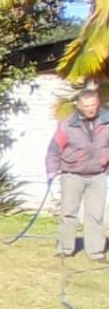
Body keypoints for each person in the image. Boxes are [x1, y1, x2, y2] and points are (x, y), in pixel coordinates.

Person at [49, 86, 109, 261]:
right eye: (86, 105)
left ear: (98, 104)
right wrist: (52, 170)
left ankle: (96, 252)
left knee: (95, 215)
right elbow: (54, 150)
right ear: (79, 106)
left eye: (93, 105)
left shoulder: (107, 122)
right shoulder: (67, 124)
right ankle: (65, 249)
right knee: (68, 213)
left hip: (98, 175)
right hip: (72, 175)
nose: (90, 108)